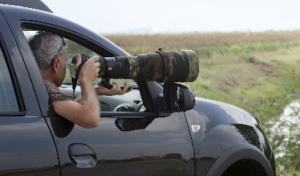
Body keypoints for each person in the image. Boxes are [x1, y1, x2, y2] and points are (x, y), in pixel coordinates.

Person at [29, 31, 132, 128]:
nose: (66, 68)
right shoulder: (45, 88)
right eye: (65, 63)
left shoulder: (31, 83)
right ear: (56, 64)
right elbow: (91, 119)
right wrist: (86, 79)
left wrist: (95, 91)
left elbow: (69, 108)